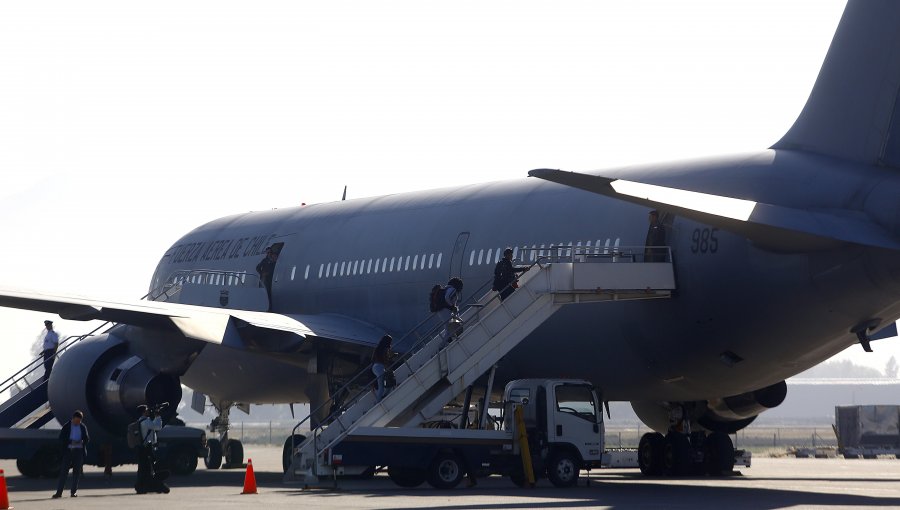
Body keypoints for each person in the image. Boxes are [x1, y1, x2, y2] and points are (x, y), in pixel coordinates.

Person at [53, 410, 89, 499]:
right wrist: (70, 441)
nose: (78, 422)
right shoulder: (67, 426)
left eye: (79, 421)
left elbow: (87, 438)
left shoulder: (82, 427)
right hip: (68, 451)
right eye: (76, 421)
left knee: (76, 473)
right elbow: (61, 438)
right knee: (64, 472)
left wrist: (82, 441)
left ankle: (74, 492)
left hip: (79, 451)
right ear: (73, 418)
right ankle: (59, 492)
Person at [135, 404, 169, 494]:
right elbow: (158, 426)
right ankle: (146, 486)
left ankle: (141, 486)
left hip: (142, 448)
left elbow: (152, 426)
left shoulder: (141, 421)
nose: (148, 411)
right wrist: (158, 416)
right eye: (146, 410)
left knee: (143, 468)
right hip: (147, 448)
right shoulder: (145, 422)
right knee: (147, 468)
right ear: (143, 412)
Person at [372, 335, 394, 401]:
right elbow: (385, 360)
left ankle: (381, 398)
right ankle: (379, 401)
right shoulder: (385, 349)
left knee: (383, 386)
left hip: (375, 367)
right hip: (380, 367)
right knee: (384, 386)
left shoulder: (378, 348)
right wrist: (392, 357)